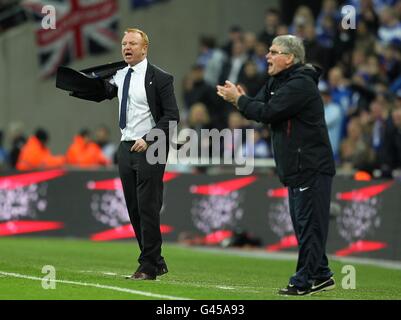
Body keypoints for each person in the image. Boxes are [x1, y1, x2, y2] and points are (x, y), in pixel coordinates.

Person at [217, 35, 336, 296]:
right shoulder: (277, 82)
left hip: (311, 166)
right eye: (268, 50)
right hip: (295, 168)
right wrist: (241, 99)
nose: (267, 56)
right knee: (304, 226)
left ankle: (303, 281)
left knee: (309, 226)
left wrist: (239, 100)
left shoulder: (301, 85)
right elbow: (258, 108)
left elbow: (267, 112)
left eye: (273, 51)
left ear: (290, 58)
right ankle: (321, 273)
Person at [107, 28, 179, 280]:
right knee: (134, 208)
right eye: (124, 43)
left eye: (133, 44)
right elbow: (97, 91)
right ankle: (154, 261)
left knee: (148, 206)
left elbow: (172, 117)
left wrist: (148, 139)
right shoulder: (119, 75)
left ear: (145, 48)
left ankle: (148, 264)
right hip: (125, 146)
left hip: (151, 146)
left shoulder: (160, 77)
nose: (127, 47)